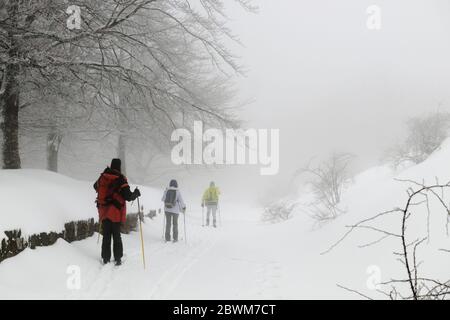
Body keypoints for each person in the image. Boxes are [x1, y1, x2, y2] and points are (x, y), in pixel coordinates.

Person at [94, 158, 141, 265]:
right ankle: (118, 258)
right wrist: (136, 193)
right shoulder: (121, 179)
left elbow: (95, 186)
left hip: (103, 211)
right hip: (115, 212)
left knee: (106, 235)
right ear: (119, 167)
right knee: (116, 236)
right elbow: (128, 196)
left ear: (111, 165)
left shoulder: (103, 176)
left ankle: (105, 258)